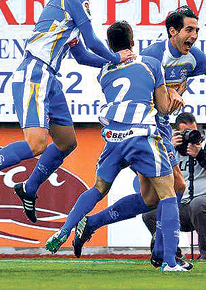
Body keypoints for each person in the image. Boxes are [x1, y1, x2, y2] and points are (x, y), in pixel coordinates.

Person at [0, 0, 134, 221]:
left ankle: (29, 188)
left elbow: (81, 56)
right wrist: (115, 58)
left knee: (67, 142)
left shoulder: (66, 5)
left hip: (48, 77)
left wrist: (109, 66)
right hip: (35, 72)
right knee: (37, 144)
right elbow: (92, 41)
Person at [44, 21, 190, 272]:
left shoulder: (104, 70)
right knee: (169, 192)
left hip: (113, 137)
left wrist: (73, 37)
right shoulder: (151, 63)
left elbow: (82, 56)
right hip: (142, 135)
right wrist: (177, 93)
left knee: (100, 188)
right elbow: (164, 108)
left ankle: (65, 229)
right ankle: (169, 261)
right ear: (133, 42)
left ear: (110, 46)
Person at [70, 6, 205, 263]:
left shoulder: (194, 56)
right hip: (148, 128)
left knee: (151, 197)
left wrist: (181, 87)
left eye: (197, 30)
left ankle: (92, 224)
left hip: (160, 127)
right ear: (172, 31)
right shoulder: (153, 55)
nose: (194, 35)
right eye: (189, 30)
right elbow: (147, 90)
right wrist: (170, 93)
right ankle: (163, 250)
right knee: (175, 187)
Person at [142, 112, 206, 260]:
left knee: (198, 204)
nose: (190, 136)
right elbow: (155, 172)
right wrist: (167, 149)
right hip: (181, 207)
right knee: (150, 215)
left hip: (202, 204)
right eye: (185, 133)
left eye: (193, 131)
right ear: (176, 133)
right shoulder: (168, 148)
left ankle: (205, 254)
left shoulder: (203, 145)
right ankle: (171, 253)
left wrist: (200, 154)